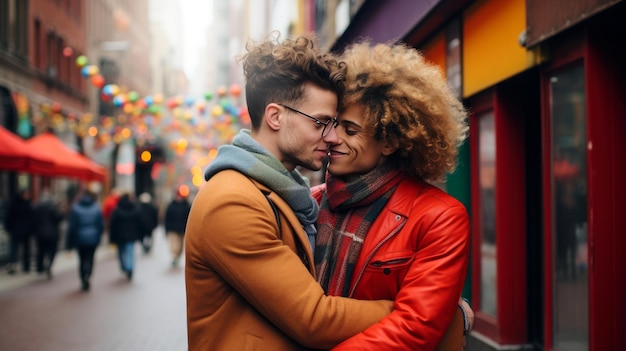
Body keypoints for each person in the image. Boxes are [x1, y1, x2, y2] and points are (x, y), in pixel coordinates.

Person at [184, 34, 394, 351]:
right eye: (321, 122)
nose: (332, 136)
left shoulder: (283, 191)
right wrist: (421, 311)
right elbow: (314, 319)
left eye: (335, 123)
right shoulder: (232, 202)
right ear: (275, 116)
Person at [312, 41, 471, 350]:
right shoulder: (310, 202)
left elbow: (414, 328)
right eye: (332, 125)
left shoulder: (439, 218)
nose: (332, 138)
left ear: (389, 142)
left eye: (350, 130)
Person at [66, 190, 104, 291]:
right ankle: (88, 274)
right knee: (90, 258)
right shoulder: (96, 207)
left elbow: (72, 227)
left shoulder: (76, 208)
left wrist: (69, 243)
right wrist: (99, 236)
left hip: (80, 238)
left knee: (82, 259)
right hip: (93, 238)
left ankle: (83, 276)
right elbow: (100, 225)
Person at [109, 192, 146, 280]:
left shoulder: (117, 209)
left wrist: (112, 236)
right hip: (131, 234)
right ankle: (129, 267)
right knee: (130, 251)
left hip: (119, 234)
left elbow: (113, 224)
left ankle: (124, 266)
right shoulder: (135, 208)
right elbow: (140, 222)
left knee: (121, 251)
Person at [33, 189, 64, 279]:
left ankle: (40, 267)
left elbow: (33, 221)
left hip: (40, 234)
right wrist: (61, 212)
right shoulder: (52, 208)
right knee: (52, 251)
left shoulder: (37, 208)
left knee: (40, 251)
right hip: (52, 234)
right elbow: (58, 218)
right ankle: (49, 263)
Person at [4, 189, 35, 274]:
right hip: (17, 231)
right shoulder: (20, 204)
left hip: (23, 231)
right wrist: (9, 228)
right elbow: (9, 217)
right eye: (25, 194)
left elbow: (32, 218)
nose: (27, 196)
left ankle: (25, 266)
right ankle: (13, 265)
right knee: (15, 249)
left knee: (23, 249)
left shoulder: (25, 204)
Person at [164, 189, 190, 267]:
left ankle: (177, 256)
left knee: (181, 246)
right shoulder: (171, 205)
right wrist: (167, 228)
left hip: (183, 229)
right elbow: (167, 217)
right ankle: (174, 257)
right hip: (173, 229)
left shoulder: (187, 205)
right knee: (174, 245)